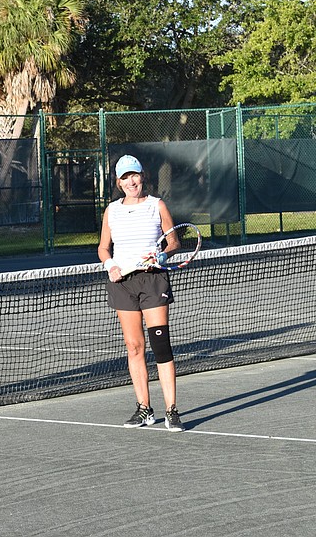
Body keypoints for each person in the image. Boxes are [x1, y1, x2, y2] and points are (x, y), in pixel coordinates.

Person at [97, 154, 185, 432]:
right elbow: (102, 248)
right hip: (123, 284)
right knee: (134, 347)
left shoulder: (156, 205)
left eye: (134, 175)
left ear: (142, 176)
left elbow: (174, 241)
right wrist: (110, 265)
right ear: (119, 183)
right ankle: (144, 409)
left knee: (160, 345)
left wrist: (160, 254)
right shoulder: (111, 211)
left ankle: (171, 410)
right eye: (125, 178)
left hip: (153, 281)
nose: (131, 181)